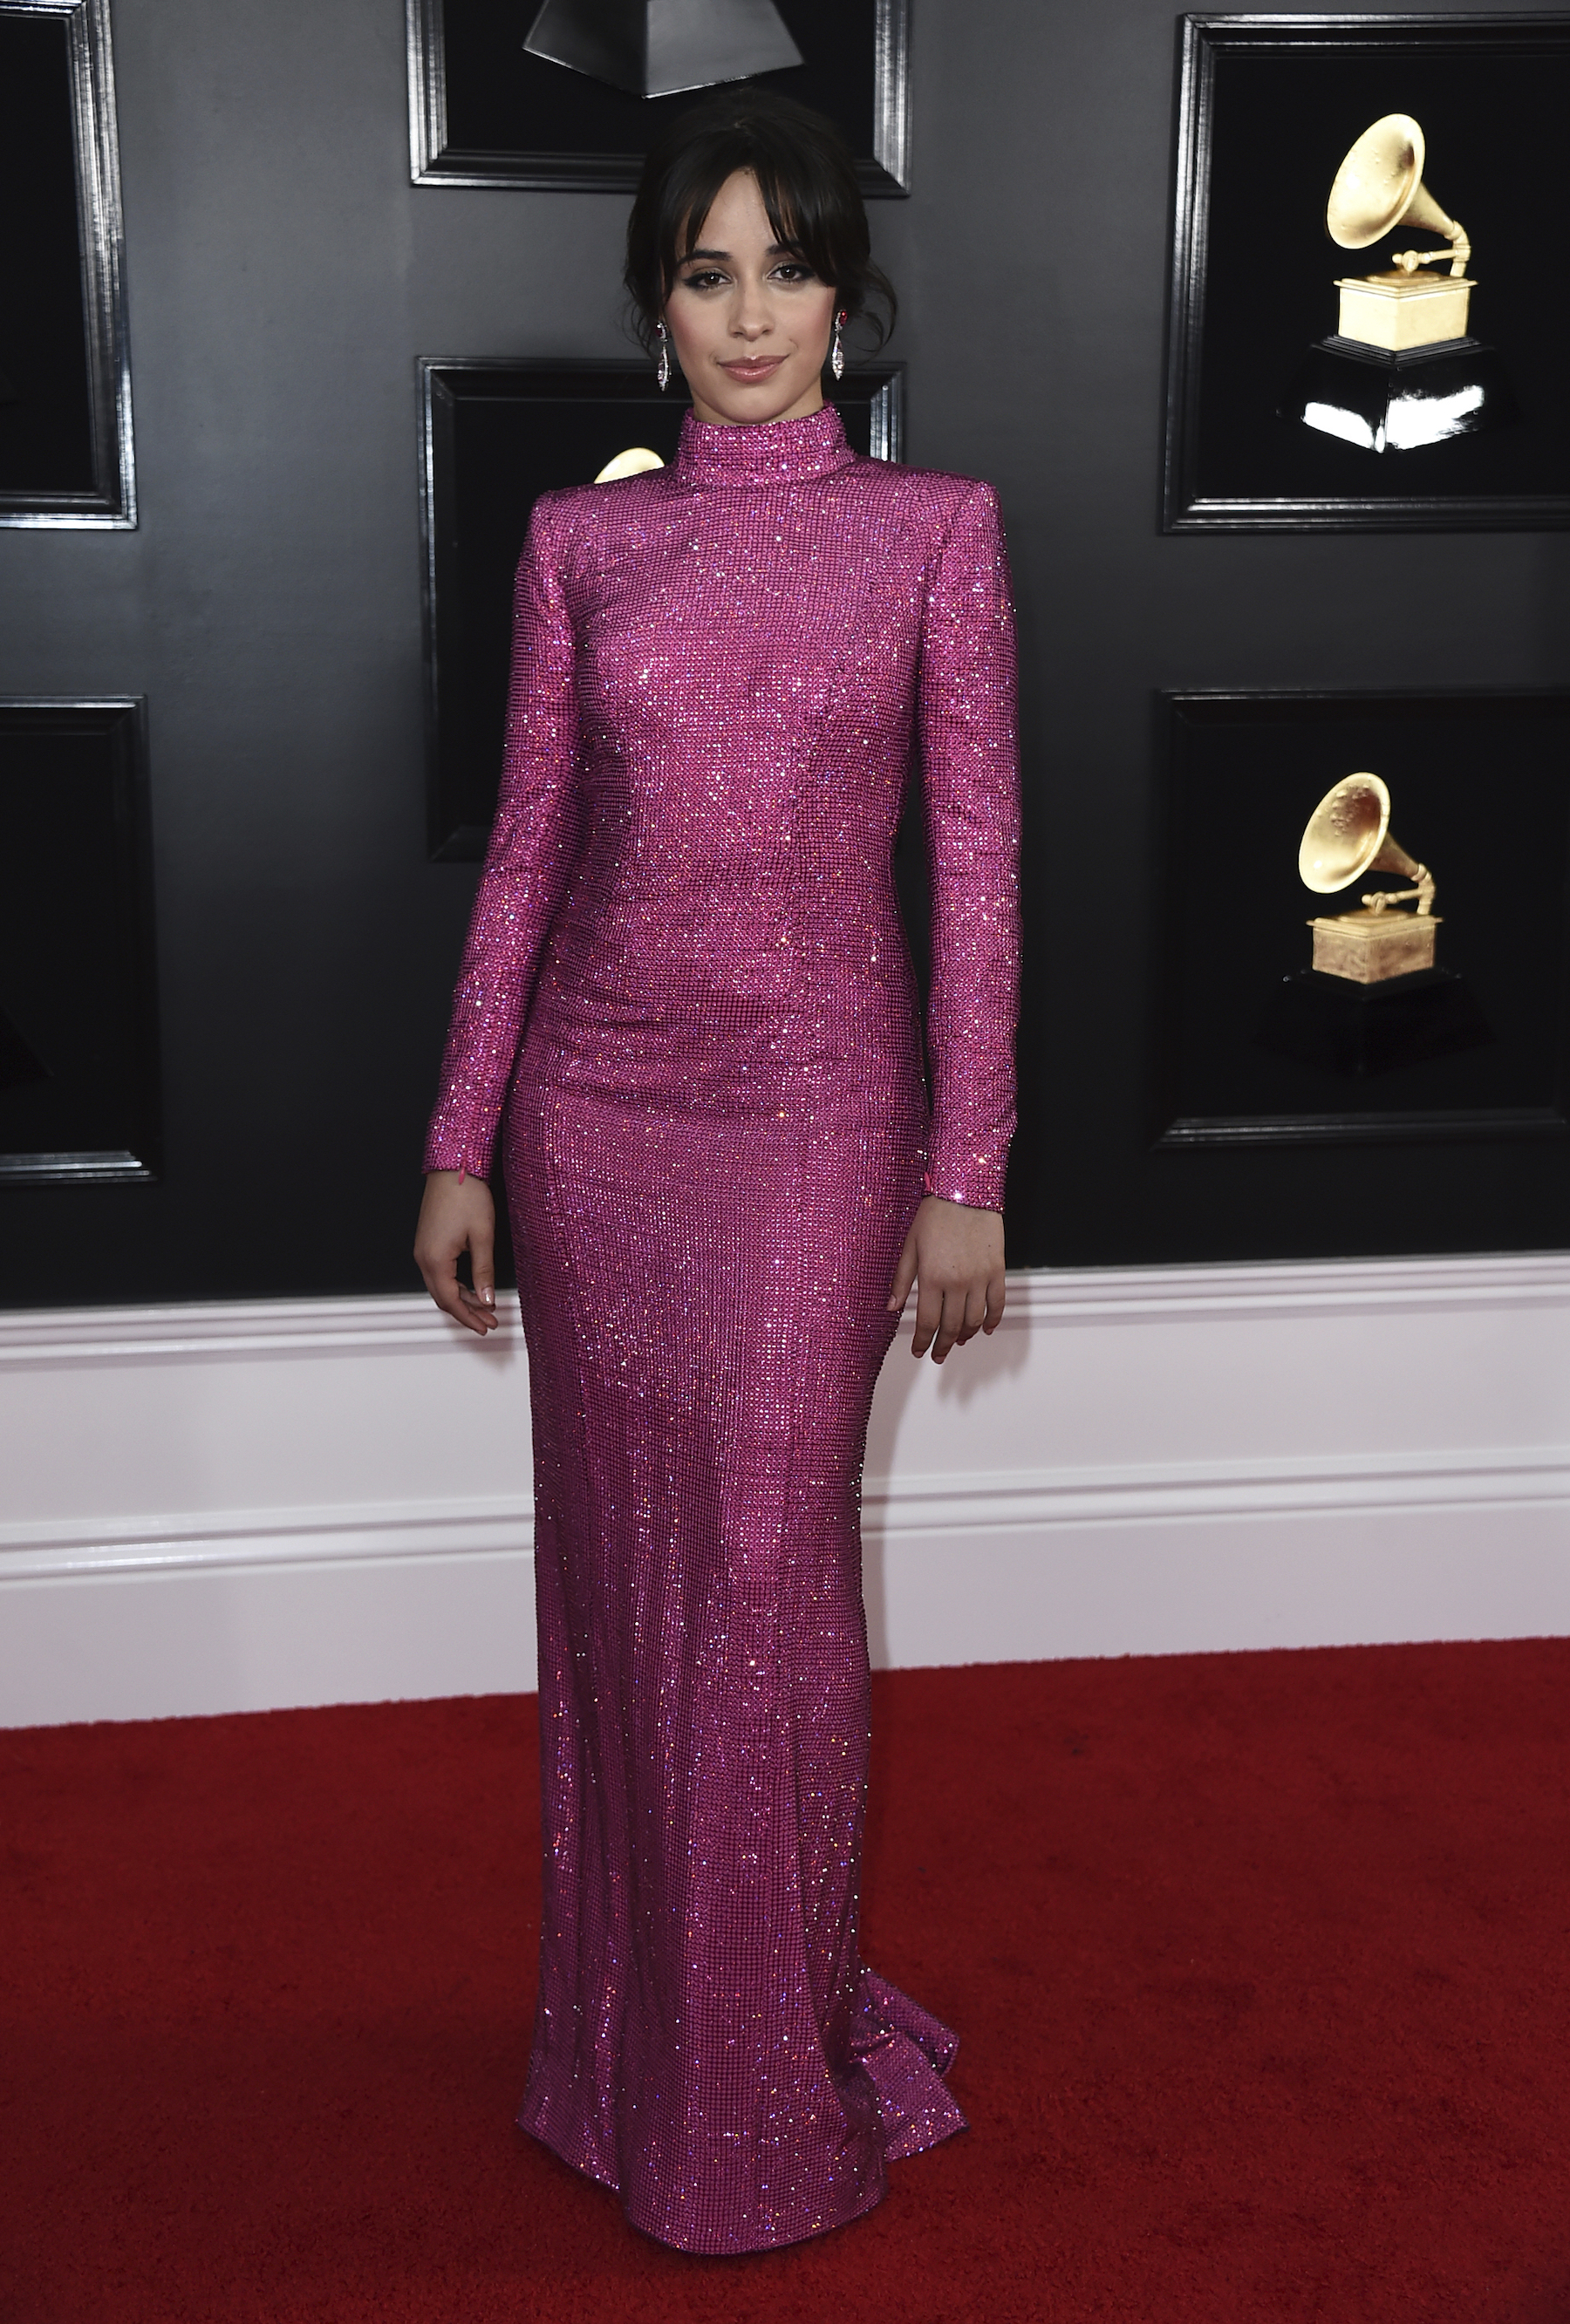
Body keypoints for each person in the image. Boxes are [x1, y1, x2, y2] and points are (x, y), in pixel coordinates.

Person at [413, 85, 1020, 2255]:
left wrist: (970, 1166)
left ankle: (759, 2094)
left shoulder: (934, 530)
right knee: (622, 1583)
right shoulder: (589, 543)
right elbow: (523, 862)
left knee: (763, 1581)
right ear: (658, 305)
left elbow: (978, 868)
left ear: (848, 298)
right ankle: (624, 2049)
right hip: (591, 1117)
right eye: (705, 270)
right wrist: (458, 1136)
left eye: (786, 265)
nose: (748, 313)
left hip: (818, 1122)